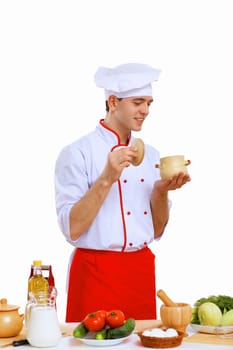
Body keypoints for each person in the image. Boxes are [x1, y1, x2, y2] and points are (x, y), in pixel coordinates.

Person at [54, 63, 191, 322]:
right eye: (138, 102)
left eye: (149, 103)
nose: (146, 111)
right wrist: (107, 177)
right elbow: (72, 228)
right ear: (113, 102)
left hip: (139, 273)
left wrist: (161, 191)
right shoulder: (76, 153)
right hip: (95, 274)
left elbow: (157, 230)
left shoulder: (151, 155)